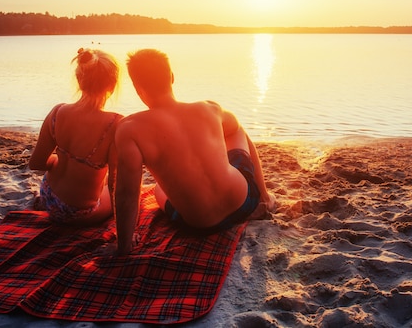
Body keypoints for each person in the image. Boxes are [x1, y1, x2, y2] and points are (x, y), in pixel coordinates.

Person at [111, 48, 275, 255]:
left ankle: (260, 199)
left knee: (156, 190)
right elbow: (235, 134)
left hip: (200, 224)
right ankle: (265, 200)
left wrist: (124, 246)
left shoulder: (129, 128)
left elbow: (127, 192)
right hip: (244, 203)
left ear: (137, 87)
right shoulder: (209, 108)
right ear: (171, 77)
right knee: (236, 129)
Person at [29, 48, 122, 226]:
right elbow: (114, 184)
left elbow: (36, 163)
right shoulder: (115, 123)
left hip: (49, 198)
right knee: (136, 191)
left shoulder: (57, 112)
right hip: (80, 213)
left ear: (79, 80)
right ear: (112, 84)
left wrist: (61, 159)